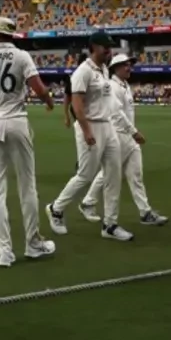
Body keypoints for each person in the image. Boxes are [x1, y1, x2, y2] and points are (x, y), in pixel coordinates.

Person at [0, 17, 58, 267]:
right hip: (16, 121)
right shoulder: (22, 56)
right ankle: (32, 244)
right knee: (27, 185)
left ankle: (4, 253)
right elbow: (38, 87)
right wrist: (49, 101)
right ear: (12, 36)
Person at [47, 31, 138, 242]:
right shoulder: (83, 72)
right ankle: (56, 208)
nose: (109, 50)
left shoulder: (104, 70)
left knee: (113, 175)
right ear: (93, 48)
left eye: (110, 46)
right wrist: (87, 131)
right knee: (85, 175)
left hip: (108, 126)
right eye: (104, 46)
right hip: (91, 126)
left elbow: (108, 103)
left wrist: (127, 128)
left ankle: (110, 225)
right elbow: (77, 105)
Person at [80, 53, 168, 227]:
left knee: (136, 176)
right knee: (108, 173)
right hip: (118, 134)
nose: (129, 68)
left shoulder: (124, 85)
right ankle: (88, 202)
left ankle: (145, 212)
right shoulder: (112, 86)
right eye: (125, 65)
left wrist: (132, 134)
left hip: (129, 137)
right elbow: (116, 113)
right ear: (115, 68)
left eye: (130, 65)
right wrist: (134, 131)